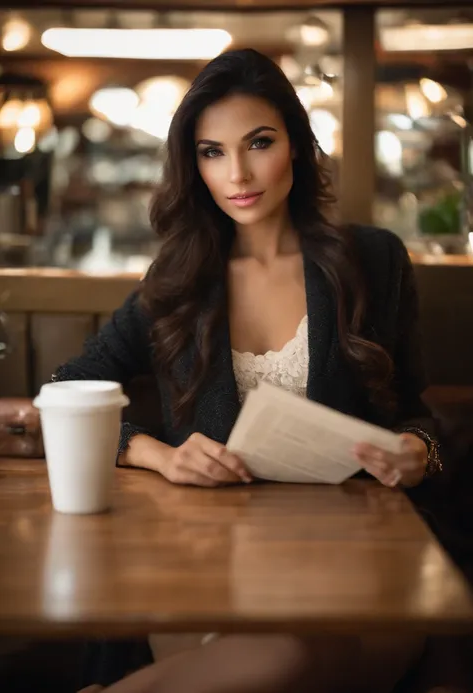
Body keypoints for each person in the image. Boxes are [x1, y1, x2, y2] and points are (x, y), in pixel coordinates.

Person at [54, 49, 441, 692]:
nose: (238, 172)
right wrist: (160, 455)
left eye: (258, 142)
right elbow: (68, 387)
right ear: (193, 165)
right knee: (278, 657)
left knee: (294, 654)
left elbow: (417, 418)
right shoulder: (179, 283)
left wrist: (414, 452)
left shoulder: (373, 260)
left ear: (296, 143)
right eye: (212, 152)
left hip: (357, 559)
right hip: (212, 564)